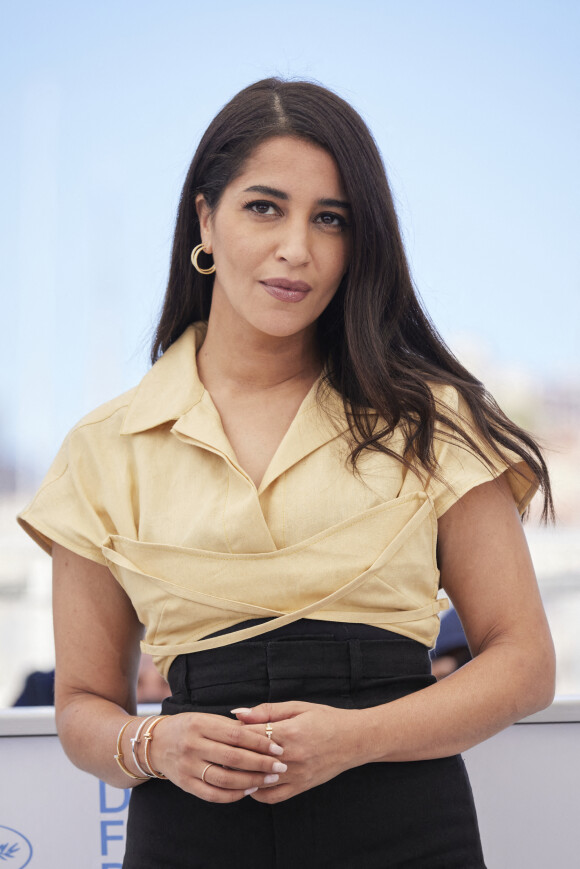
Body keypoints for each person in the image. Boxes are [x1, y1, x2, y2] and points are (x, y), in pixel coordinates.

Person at [17, 78, 555, 868]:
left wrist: (354, 738)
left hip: (404, 826)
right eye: (264, 207)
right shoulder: (102, 446)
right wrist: (156, 742)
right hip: (190, 833)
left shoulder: (431, 416)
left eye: (329, 218)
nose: (296, 248)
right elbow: (81, 708)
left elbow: (524, 662)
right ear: (205, 217)